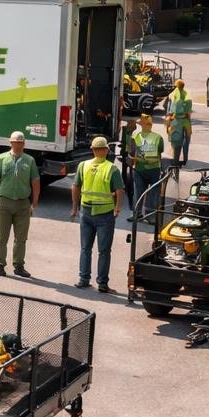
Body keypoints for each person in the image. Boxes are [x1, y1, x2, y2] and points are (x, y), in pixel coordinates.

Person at [70, 135, 124, 292]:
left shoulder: (83, 165)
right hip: (104, 214)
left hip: (85, 212)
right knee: (104, 251)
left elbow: (75, 187)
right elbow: (120, 191)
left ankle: (83, 279)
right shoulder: (111, 168)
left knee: (85, 248)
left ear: (92, 150)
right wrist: (118, 208)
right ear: (107, 150)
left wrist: (74, 208)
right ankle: (102, 283)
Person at [0, 130, 39, 278]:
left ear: (24, 144)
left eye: (20, 143)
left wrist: (34, 202)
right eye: (15, 142)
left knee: (21, 238)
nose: (18, 145)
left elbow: (35, 181)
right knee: (1, 236)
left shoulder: (29, 161)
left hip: (23, 204)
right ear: (10, 143)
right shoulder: (1, 159)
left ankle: (19, 266)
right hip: (4, 202)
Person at [128, 113, 165, 221]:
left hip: (142, 169)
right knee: (152, 194)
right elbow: (159, 153)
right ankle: (149, 216)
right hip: (152, 169)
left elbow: (131, 151)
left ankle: (139, 214)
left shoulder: (136, 136)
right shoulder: (158, 137)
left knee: (139, 192)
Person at [165, 79, 192, 168]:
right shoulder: (187, 95)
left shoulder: (172, 95)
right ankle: (185, 160)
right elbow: (189, 113)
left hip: (176, 121)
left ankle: (175, 161)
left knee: (176, 141)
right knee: (186, 141)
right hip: (186, 122)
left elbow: (168, 110)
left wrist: (168, 121)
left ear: (176, 86)